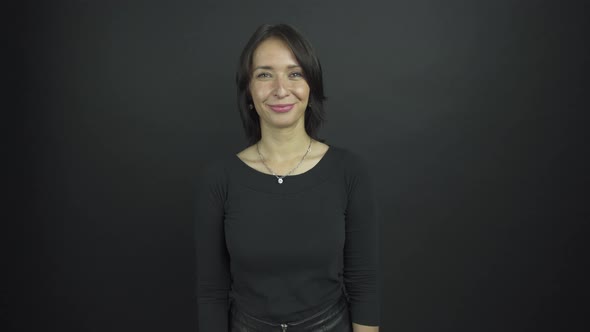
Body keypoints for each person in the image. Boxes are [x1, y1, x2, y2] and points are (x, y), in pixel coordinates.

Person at [194, 23, 380, 332]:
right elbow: (211, 294)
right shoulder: (217, 180)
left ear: (311, 86)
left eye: (295, 73)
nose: (281, 89)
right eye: (265, 74)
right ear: (249, 92)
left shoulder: (351, 172)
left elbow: (364, 283)